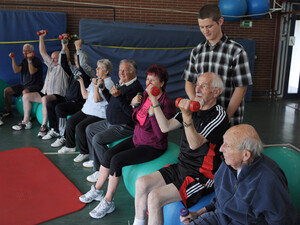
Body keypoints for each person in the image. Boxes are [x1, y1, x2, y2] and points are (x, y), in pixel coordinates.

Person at [79, 64, 176, 219]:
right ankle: (97, 190)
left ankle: (108, 201)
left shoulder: (167, 104)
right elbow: (136, 119)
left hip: (153, 145)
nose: (149, 84)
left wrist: (153, 114)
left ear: (162, 83)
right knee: (109, 154)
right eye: (148, 79)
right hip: (138, 138)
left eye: (154, 80)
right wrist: (135, 105)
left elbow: (160, 134)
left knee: (117, 160)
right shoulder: (144, 94)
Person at [133, 72, 229, 225]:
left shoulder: (218, 115)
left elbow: (195, 143)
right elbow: (165, 127)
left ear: (216, 92)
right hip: (182, 166)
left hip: (202, 176)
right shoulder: (193, 107)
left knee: (155, 197)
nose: (197, 89)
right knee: (141, 183)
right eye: (197, 84)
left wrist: (187, 117)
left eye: (203, 86)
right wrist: (154, 100)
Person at [180, 124, 299, 225]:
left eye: (228, 145)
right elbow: (220, 201)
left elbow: (282, 220)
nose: (221, 149)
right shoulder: (227, 165)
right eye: (223, 142)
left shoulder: (269, 180)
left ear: (245, 155)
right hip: (220, 218)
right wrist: (198, 213)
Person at [182, 4, 252, 126]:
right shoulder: (196, 51)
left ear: (220, 21)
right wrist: (196, 104)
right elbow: (189, 82)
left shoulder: (236, 51)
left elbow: (241, 88)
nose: (205, 31)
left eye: (209, 26)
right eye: (201, 27)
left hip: (229, 119)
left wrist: (225, 118)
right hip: (202, 118)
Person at [83, 59, 144, 181]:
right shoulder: (122, 82)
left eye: (124, 71)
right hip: (111, 122)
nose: (121, 73)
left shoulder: (136, 89)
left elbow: (132, 114)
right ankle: (95, 160)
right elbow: (112, 100)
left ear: (133, 72)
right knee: (89, 129)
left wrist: (119, 97)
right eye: (120, 70)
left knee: (97, 139)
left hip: (125, 125)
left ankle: (102, 170)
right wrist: (105, 90)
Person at [57, 58, 114, 164]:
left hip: (98, 114)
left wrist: (96, 86)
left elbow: (97, 100)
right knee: (71, 122)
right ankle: (70, 146)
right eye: (96, 67)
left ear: (106, 71)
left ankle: (84, 152)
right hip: (86, 110)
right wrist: (81, 81)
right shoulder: (95, 80)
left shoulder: (108, 83)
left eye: (99, 68)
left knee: (80, 127)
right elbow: (85, 95)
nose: (96, 69)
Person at [12, 30, 69, 135]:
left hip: (57, 95)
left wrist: (64, 43)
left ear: (60, 58)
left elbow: (66, 55)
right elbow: (43, 52)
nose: (52, 60)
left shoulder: (63, 68)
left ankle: (43, 126)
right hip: (45, 92)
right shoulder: (51, 66)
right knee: (26, 97)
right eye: (51, 58)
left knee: (44, 99)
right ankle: (26, 121)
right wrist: (41, 37)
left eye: (55, 58)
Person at [42, 37, 93, 146]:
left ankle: (63, 136)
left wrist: (78, 48)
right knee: (51, 104)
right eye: (76, 60)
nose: (77, 62)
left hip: (79, 102)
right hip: (68, 99)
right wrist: (64, 47)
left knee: (60, 108)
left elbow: (82, 64)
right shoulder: (74, 70)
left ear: (85, 60)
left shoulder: (88, 71)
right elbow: (63, 63)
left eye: (78, 60)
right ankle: (55, 130)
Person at [1, 44, 43, 123]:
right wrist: (13, 59)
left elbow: (32, 72)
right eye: (24, 51)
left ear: (32, 51)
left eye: (27, 51)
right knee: (7, 91)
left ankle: (27, 115)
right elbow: (16, 70)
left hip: (36, 85)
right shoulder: (24, 61)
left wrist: (29, 60)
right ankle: (8, 111)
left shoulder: (37, 60)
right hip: (24, 85)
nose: (25, 52)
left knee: (25, 92)